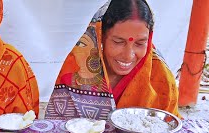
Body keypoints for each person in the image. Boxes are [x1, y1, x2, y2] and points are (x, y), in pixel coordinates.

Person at [45, 0, 180, 120]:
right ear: (100, 35)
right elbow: (57, 132)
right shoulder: (75, 68)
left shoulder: (161, 79)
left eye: (140, 43)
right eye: (118, 42)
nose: (128, 56)